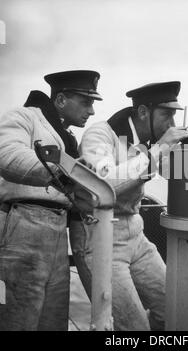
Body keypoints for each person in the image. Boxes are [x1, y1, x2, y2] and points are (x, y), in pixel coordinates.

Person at [74, 81, 188, 331]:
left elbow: (175, 175)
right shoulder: (100, 135)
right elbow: (103, 185)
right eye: (166, 115)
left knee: (178, 310)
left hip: (136, 238)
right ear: (142, 112)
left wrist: (186, 153)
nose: (171, 124)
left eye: (174, 116)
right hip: (102, 240)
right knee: (134, 328)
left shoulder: (145, 141)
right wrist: (159, 150)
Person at [0, 70, 102, 331]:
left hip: (58, 232)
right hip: (24, 224)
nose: (91, 111)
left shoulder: (66, 137)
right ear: (60, 100)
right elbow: (7, 154)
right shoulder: (23, 117)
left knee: (53, 319)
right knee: (20, 317)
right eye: (86, 102)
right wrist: (65, 169)